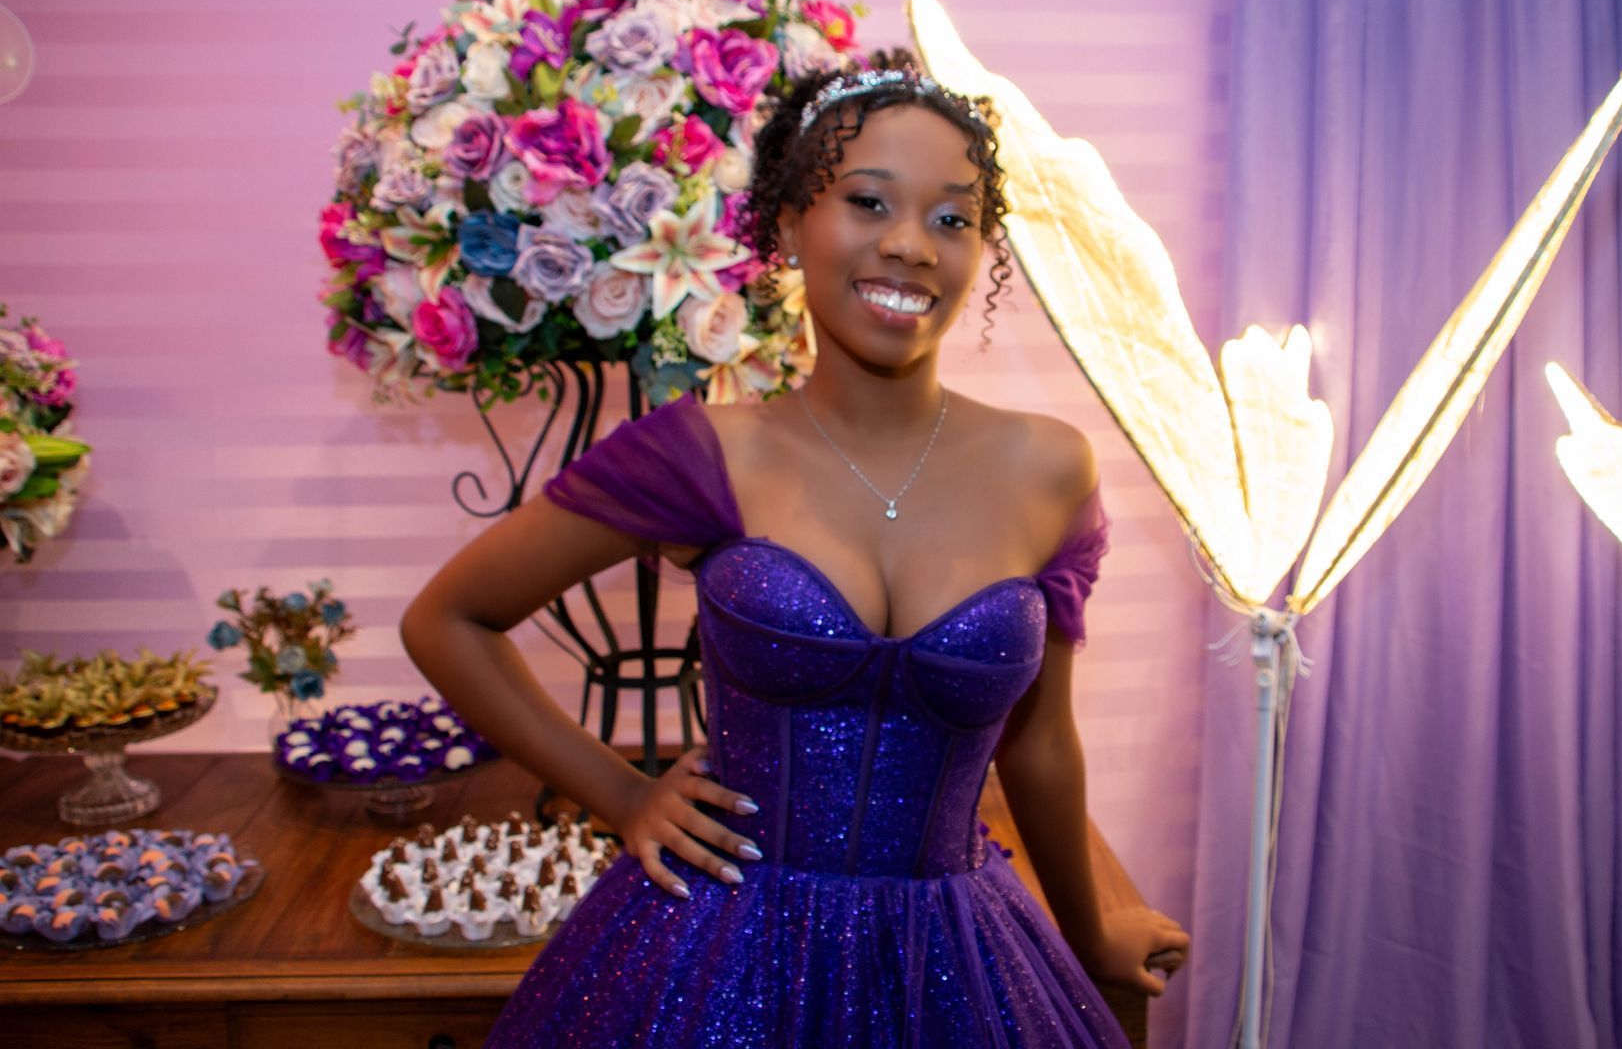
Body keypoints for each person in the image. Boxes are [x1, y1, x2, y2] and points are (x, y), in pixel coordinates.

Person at [400, 54, 1191, 1046]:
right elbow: (449, 619)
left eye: (952, 218)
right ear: (786, 226)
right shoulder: (702, 453)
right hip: (718, 951)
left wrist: (1091, 927)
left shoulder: (1050, 467)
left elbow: (1040, 741)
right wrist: (625, 794)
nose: (910, 244)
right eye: (868, 202)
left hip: (955, 961)